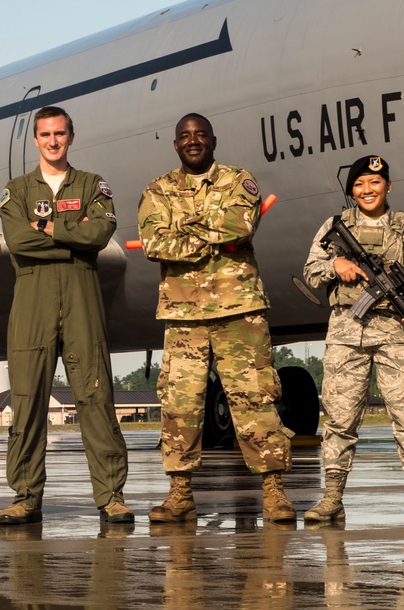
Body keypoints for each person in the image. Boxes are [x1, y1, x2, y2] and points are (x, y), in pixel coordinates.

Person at [137, 112, 296, 524]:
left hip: (238, 311)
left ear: (213, 141)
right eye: (185, 136)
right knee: (180, 406)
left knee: (254, 399)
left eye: (200, 135)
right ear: (176, 145)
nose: (193, 141)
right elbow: (154, 242)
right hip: (184, 315)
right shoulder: (157, 189)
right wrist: (209, 235)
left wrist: (184, 228)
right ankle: (180, 494)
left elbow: (239, 226)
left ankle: (274, 492)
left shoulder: (238, 180)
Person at [0, 105, 133, 525]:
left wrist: (50, 229)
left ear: (70, 137)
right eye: (45, 135)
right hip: (32, 300)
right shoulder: (17, 190)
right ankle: (25, 495)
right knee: (27, 401)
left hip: (81, 298)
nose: (52, 141)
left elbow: (100, 233)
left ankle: (110, 496)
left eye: (59, 134)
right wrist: (72, 236)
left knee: (95, 396)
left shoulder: (93, 185)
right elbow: (18, 241)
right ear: (35, 140)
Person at [302, 154, 404, 522]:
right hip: (347, 331)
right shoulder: (336, 227)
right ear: (352, 190)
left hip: (395, 333)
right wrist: (337, 265)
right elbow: (311, 269)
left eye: (375, 183)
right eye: (360, 184)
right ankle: (331, 498)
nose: (368, 190)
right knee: (339, 418)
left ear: (388, 187)